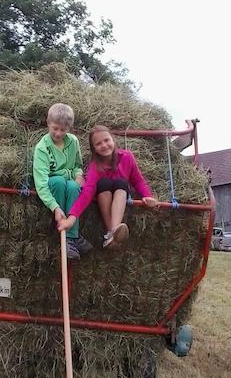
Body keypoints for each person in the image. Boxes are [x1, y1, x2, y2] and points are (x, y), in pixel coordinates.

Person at [58, 125, 159, 248]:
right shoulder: (95, 166)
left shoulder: (127, 157)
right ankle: (112, 232)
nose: (104, 145)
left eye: (106, 140)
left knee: (121, 182)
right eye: (99, 143)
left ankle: (112, 232)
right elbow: (88, 192)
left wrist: (147, 196)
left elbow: (138, 180)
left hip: (120, 192)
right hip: (103, 194)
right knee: (104, 183)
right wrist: (72, 217)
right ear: (94, 149)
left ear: (113, 140)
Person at [33, 103, 93, 260]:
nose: (58, 133)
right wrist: (55, 207)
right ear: (48, 123)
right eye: (55, 128)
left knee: (73, 186)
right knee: (59, 181)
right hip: (54, 186)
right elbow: (41, 182)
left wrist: (79, 175)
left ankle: (71, 237)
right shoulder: (42, 148)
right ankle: (66, 236)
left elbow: (77, 165)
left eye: (63, 130)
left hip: (69, 183)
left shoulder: (73, 142)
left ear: (69, 128)